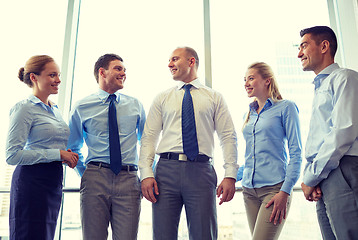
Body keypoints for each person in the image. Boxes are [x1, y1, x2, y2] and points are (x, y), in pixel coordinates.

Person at [139, 46, 239, 240]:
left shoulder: (214, 97)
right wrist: (146, 174)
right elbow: (149, 138)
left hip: (201, 171)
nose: (169, 64)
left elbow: (228, 136)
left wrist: (230, 175)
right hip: (165, 172)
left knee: (204, 235)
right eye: (169, 60)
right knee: (162, 236)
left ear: (191, 61)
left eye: (175, 59)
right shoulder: (162, 98)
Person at [67, 53, 146, 240]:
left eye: (125, 70)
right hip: (95, 178)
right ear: (102, 72)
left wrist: (146, 175)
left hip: (129, 179)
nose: (123, 73)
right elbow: (72, 147)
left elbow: (148, 143)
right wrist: (87, 173)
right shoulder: (82, 106)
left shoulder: (135, 105)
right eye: (118, 68)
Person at [6, 55, 79, 239]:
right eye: (52, 75)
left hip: (52, 182)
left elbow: (47, 148)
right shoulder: (24, 108)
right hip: (31, 183)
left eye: (59, 74)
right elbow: (12, 155)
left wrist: (63, 156)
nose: (58, 80)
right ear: (34, 77)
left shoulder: (54, 109)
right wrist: (57, 153)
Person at [298, 26, 358, 239]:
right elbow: (318, 139)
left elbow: (342, 133)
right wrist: (313, 177)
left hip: (342, 169)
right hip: (324, 174)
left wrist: (311, 177)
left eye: (304, 45)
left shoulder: (345, 78)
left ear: (324, 46)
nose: (299, 53)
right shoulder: (320, 88)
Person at [241, 62, 302, 239]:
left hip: (274, 190)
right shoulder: (249, 113)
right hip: (249, 191)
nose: (246, 83)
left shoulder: (286, 107)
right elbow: (251, 158)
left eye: (251, 78)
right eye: (244, 79)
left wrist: (285, 191)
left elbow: (296, 153)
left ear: (267, 81)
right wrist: (229, 176)